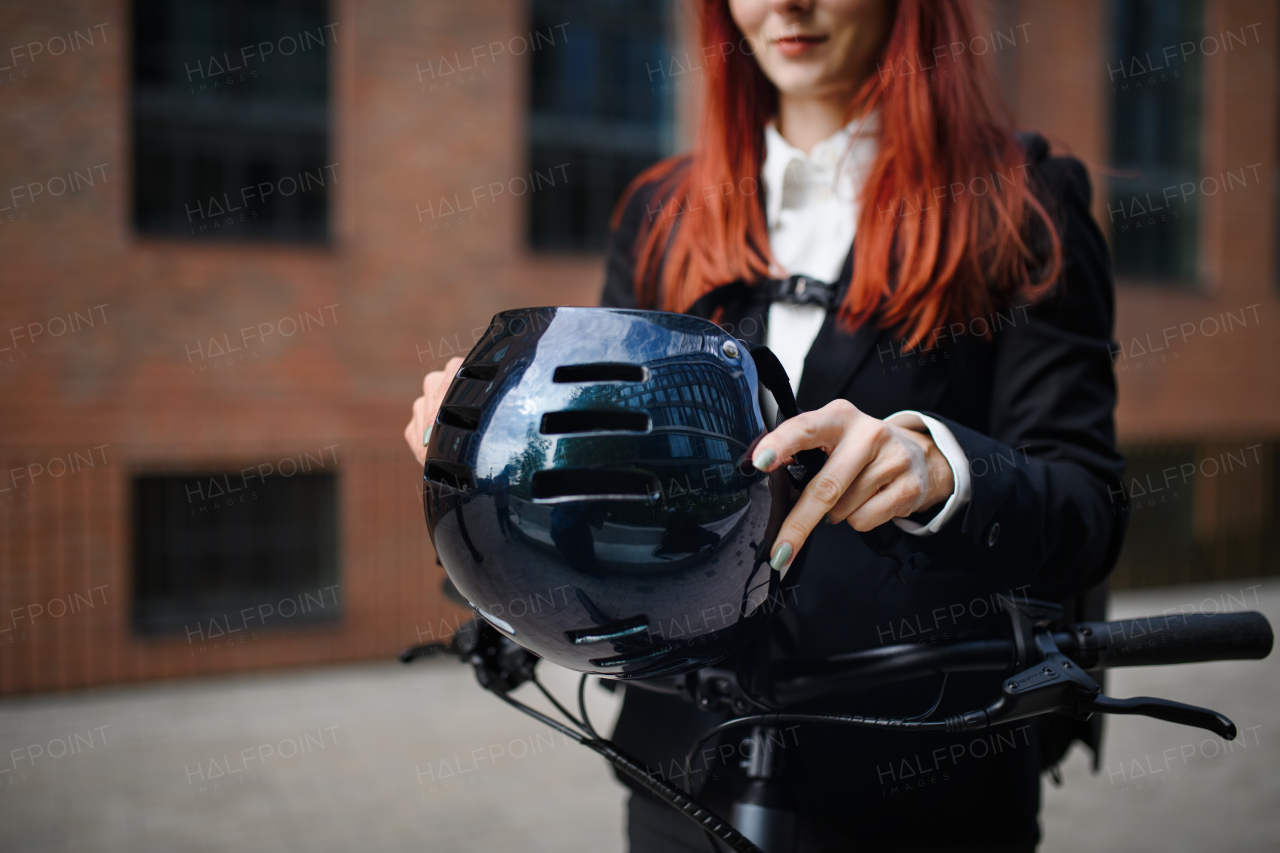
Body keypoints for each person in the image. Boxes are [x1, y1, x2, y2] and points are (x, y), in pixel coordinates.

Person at [405, 0, 1126, 849]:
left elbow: (1087, 504)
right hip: (685, 772)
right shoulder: (662, 210)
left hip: (924, 775)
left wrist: (943, 467)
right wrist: (485, 458)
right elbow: (596, 479)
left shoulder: (1019, 197)